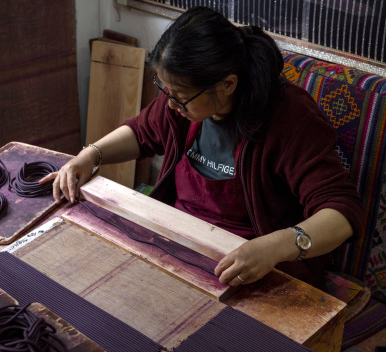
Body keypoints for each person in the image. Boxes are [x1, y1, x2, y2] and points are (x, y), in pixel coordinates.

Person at [40, 6, 363, 291]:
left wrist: (276, 246)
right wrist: (89, 156)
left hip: (248, 265)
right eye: (164, 88)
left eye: (179, 95)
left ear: (227, 84)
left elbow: (342, 212)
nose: (170, 103)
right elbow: (141, 132)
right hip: (179, 239)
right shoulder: (181, 104)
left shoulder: (289, 117)